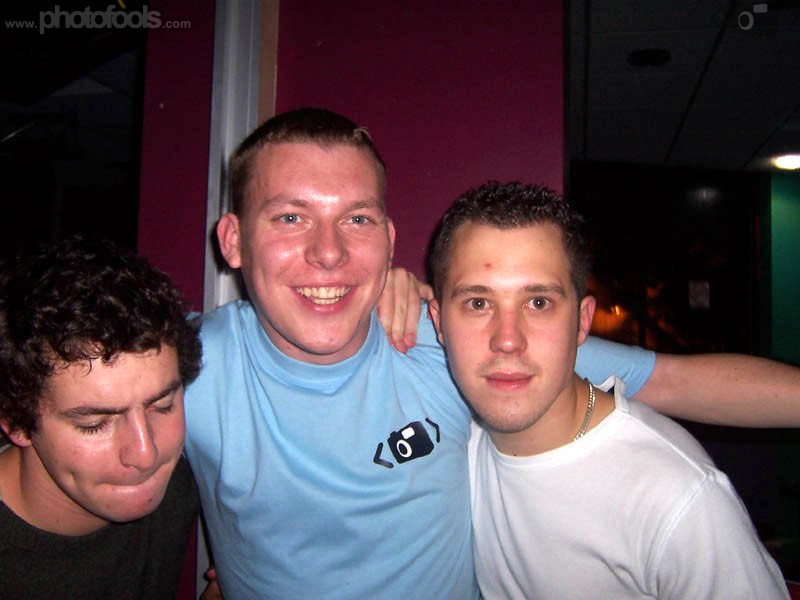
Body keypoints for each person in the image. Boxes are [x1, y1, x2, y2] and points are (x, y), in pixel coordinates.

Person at [185, 107, 799, 599]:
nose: (328, 253)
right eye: (291, 218)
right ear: (233, 240)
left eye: (358, 220)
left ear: (389, 241)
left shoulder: (449, 340)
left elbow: (674, 382)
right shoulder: (186, 368)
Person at [427, 181, 790, 599]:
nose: (507, 340)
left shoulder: (677, 500)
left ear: (582, 321)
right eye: (478, 303)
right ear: (437, 322)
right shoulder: (453, 441)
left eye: (539, 302)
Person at [0, 235, 204, 600]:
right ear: (16, 420)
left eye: (162, 406)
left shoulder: (181, 487)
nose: (145, 455)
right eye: (94, 424)